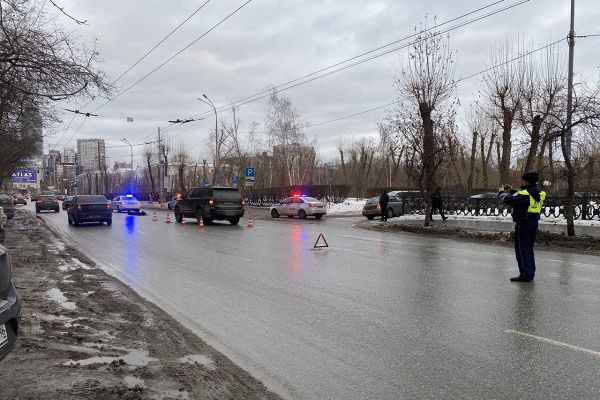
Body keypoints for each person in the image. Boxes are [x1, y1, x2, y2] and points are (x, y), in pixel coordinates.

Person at [498, 171, 546, 283]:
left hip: (523, 223)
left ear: (526, 180)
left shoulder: (525, 195)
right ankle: (530, 273)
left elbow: (509, 200)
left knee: (521, 249)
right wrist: (512, 191)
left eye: (524, 180)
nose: (523, 182)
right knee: (529, 249)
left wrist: (501, 192)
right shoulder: (538, 192)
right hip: (533, 223)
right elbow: (523, 196)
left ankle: (525, 274)